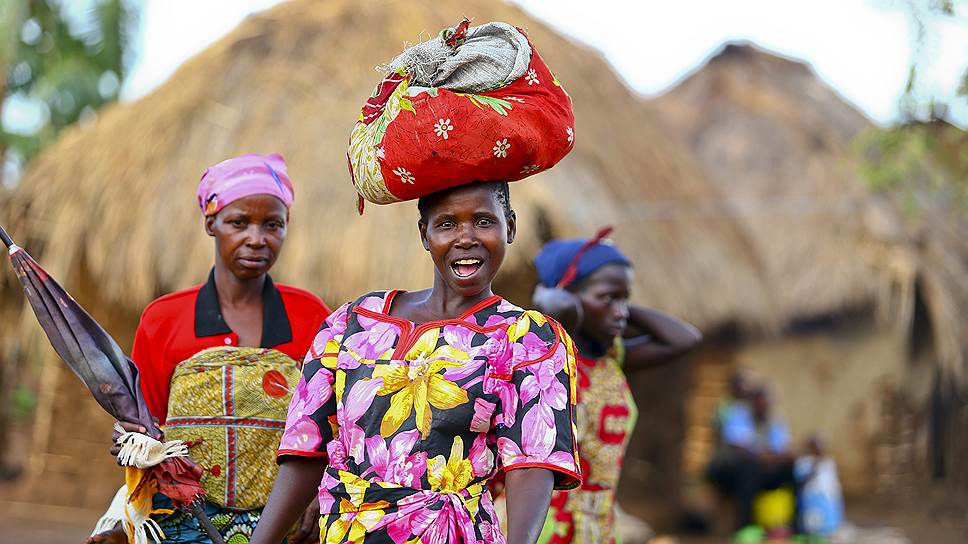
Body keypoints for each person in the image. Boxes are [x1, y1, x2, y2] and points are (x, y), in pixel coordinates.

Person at [252, 19, 583, 544]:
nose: (467, 238)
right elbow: (303, 453)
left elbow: (531, 467)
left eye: (484, 221)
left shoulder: (529, 341)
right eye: (448, 224)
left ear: (511, 229)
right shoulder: (352, 325)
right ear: (424, 233)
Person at [88, 153, 330, 544]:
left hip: (286, 521)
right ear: (211, 223)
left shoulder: (311, 315)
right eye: (239, 222)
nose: (257, 238)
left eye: (273, 224)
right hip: (184, 520)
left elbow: (330, 424)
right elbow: (146, 421)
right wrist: (132, 441)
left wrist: (318, 495)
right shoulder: (163, 319)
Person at [530, 229, 703, 544]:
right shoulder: (540, 355)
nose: (620, 311)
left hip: (599, 528)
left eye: (625, 298)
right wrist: (568, 301)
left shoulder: (612, 359)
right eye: (607, 298)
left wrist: (614, 300)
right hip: (543, 529)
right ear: (568, 298)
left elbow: (685, 338)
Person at [706, 384, 797, 532]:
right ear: (753, 402)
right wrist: (770, 455)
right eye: (761, 402)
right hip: (728, 471)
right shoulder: (739, 414)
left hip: (760, 471)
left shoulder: (774, 419)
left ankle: (795, 525)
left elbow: (783, 450)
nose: (764, 406)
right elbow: (741, 448)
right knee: (751, 468)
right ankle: (745, 526)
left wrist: (778, 457)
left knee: (792, 469)